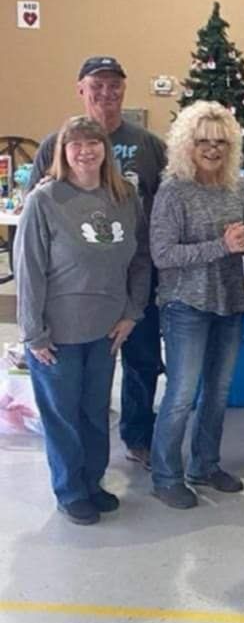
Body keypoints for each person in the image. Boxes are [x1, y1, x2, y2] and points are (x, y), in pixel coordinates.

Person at [29, 56, 166, 471]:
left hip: (132, 281)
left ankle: (138, 435)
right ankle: (75, 470)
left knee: (141, 362)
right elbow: (36, 228)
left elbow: (162, 209)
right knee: (75, 384)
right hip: (72, 296)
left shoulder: (148, 145)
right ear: (81, 89)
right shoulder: (54, 146)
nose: (106, 93)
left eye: (114, 85)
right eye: (97, 85)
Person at [16, 116, 151, 524]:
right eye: (74, 144)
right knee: (63, 416)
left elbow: (141, 261)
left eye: (92, 142)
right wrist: (33, 333)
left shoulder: (125, 197)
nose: (84, 151)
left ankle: (93, 482)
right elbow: (29, 270)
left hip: (106, 330)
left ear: (105, 149)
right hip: (57, 332)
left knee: (94, 412)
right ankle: (71, 489)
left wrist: (132, 313)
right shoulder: (46, 200)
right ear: (62, 152)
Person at [148, 102, 244, 509]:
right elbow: (162, 253)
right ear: (186, 145)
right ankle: (165, 475)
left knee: (218, 391)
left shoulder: (237, 187)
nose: (213, 149)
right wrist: (220, 246)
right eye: (204, 141)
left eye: (221, 142)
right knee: (182, 394)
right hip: (185, 305)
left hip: (229, 302)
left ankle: (205, 464)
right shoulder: (174, 189)